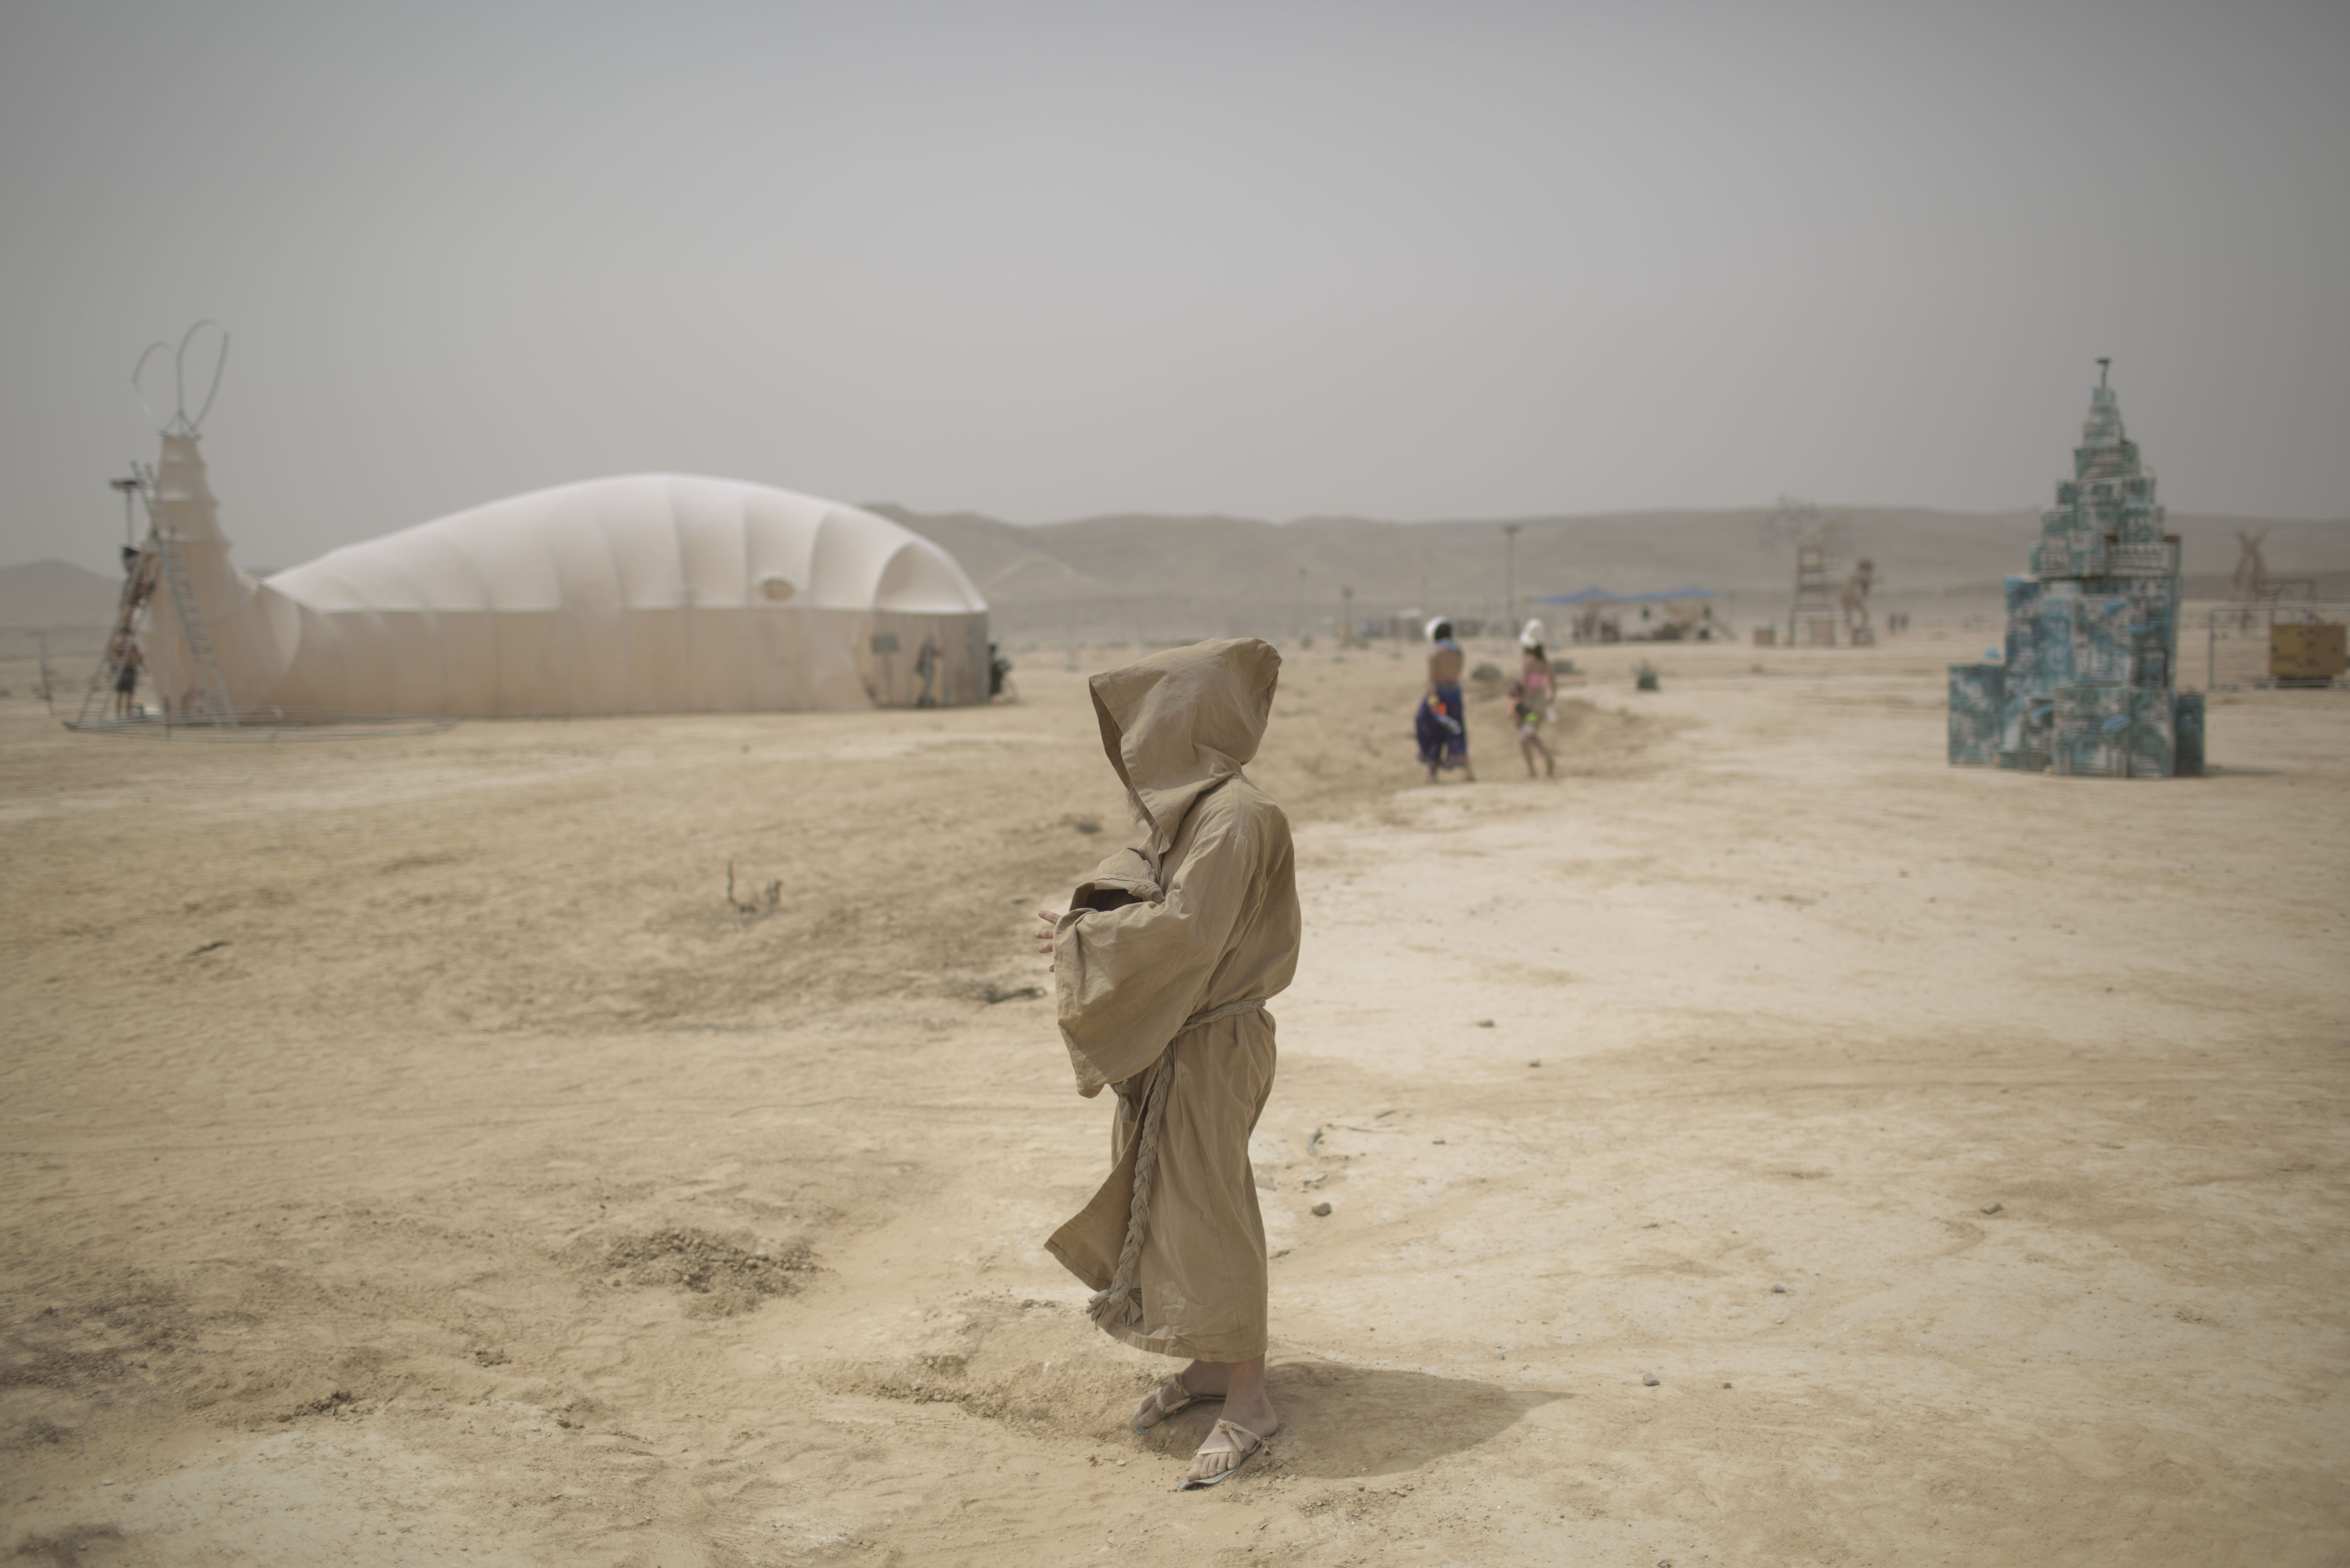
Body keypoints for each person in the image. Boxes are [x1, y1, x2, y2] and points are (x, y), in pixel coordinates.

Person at [1031, 638, 1298, 1490]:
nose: (1137, 744)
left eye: (1151, 722)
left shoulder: (1237, 817)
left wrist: (1084, 939)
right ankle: (1212, 1362)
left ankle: (1249, 1396)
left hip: (1214, 1041)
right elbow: (1152, 894)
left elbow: (1187, 931)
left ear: (1190, 722)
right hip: (1181, 1039)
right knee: (1181, 1204)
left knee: (1213, 1206)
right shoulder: (1194, 813)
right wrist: (1088, 922)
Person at [1413, 617, 1474, 783]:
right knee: (1455, 729)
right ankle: (1468, 772)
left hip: (1440, 696)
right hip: (1454, 694)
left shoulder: (1435, 653)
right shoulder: (1458, 651)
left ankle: (1432, 773)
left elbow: (1433, 679)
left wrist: (1433, 700)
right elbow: (1458, 673)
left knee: (1432, 728)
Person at [1510, 620, 1556, 778]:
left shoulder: (1529, 663)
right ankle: (1545, 759)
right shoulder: (1546, 664)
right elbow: (1554, 686)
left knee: (1525, 737)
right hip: (1541, 703)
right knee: (1530, 734)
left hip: (1529, 705)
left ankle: (1535, 767)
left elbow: (1523, 685)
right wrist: (1549, 702)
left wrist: (1516, 701)